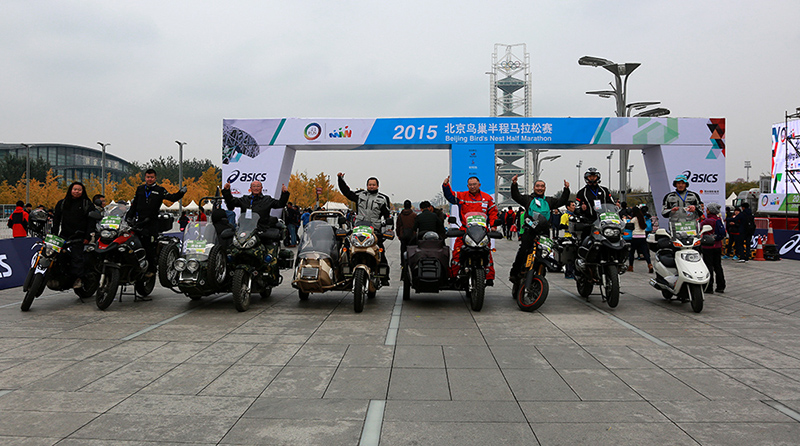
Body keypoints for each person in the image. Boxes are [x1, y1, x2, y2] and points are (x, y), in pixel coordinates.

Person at [126, 169, 187, 278]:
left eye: (152, 177)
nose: (149, 179)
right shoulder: (140, 189)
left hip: (152, 223)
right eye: (148, 177)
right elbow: (134, 205)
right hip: (139, 222)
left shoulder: (160, 190)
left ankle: (151, 270)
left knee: (149, 246)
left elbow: (172, 198)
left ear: (155, 178)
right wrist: (128, 217)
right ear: (145, 177)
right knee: (134, 243)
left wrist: (181, 192)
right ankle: (134, 267)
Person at [509, 174, 570, 280]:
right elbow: (516, 196)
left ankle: (540, 274)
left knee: (544, 254)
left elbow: (562, 201)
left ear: (545, 188)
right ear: (534, 188)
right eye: (537, 186)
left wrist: (566, 190)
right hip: (529, 230)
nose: (540, 188)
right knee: (523, 251)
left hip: (544, 232)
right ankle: (515, 273)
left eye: (542, 186)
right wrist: (514, 184)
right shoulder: (528, 199)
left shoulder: (549, 201)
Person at [442, 175, 499, 286]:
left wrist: (493, 226)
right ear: (467, 186)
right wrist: (445, 185)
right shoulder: (462, 196)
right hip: (465, 230)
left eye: (474, 184)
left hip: (482, 231)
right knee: (457, 252)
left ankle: (489, 277)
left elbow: (493, 213)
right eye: (470, 185)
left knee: (487, 252)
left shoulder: (487, 198)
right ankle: (454, 276)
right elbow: (450, 196)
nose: (472, 186)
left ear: (479, 185)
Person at [337, 173, 393, 284]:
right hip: (359, 229)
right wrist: (340, 180)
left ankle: (383, 276)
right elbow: (347, 192)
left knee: (380, 251)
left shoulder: (383, 198)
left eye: (373, 184)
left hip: (375, 231)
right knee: (348, 249)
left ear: (377, 186)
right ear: (367, 185)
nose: (371, 186)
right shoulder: (360, 195)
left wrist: (389, 229)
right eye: (369, 184)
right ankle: (345, 273)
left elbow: (387, 216)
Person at [53, 182, 96, 288]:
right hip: (64, 235)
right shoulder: (62, 203)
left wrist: (87, 237)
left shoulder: (87, 204)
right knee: (56, 256)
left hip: (80, 237)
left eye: (79, 190)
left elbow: (91, 222)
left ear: (83, 191)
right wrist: (54, 234)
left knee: (77, 258)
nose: (77, 191)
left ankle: (78, 279)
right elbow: (56, 220)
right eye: (75, 189)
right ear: (70, 190)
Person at [221, 180, 290, 231]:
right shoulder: (245, 199)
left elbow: (280, 204)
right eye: (254, 186)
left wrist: (284, 194)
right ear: (250, 188)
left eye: (258, 186)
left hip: (262, 229)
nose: (256, 188)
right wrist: (226, 191)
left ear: (261, 188)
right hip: (245, 229)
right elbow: (231, 202)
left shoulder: (267, 199)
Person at [701, 203, 726, 293]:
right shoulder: (718, 219)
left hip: (708, 246)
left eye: (707, 209)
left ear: (710, 210)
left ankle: (709, 287)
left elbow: (698, 227)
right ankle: (721, 286)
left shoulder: (708, 221)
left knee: (708, 266)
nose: (706, 210)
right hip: (718, 245)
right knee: (718, 266)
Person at [626, 206, 653, 273]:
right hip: (643, 237)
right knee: (645, 252)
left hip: (635, 237)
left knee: (632, 252)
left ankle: (631, 267)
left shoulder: (634, 219)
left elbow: (629, 225)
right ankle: (649, 264)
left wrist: (626, 220)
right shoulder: (642, 218)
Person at [396, 200, 417, 266]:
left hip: (403, 235)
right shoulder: (414, 215)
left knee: (403, 250)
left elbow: (398, 226)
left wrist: (398, 234)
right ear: (410, 206)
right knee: (412, 250)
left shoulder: (400, 215)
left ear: (404, 206)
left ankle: (403, 263)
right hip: (412, 236)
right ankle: (412, 263)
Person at [559, 200, 577, 279]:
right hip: (568, 237)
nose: (574, 207)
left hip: (575, 237)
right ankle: (568, 272)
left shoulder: (576, 215)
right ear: (568, 207)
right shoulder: (565, 216)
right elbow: (561, 226)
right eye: (572, 205)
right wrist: (570, 227)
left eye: (574, 205)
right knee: (569, 256)